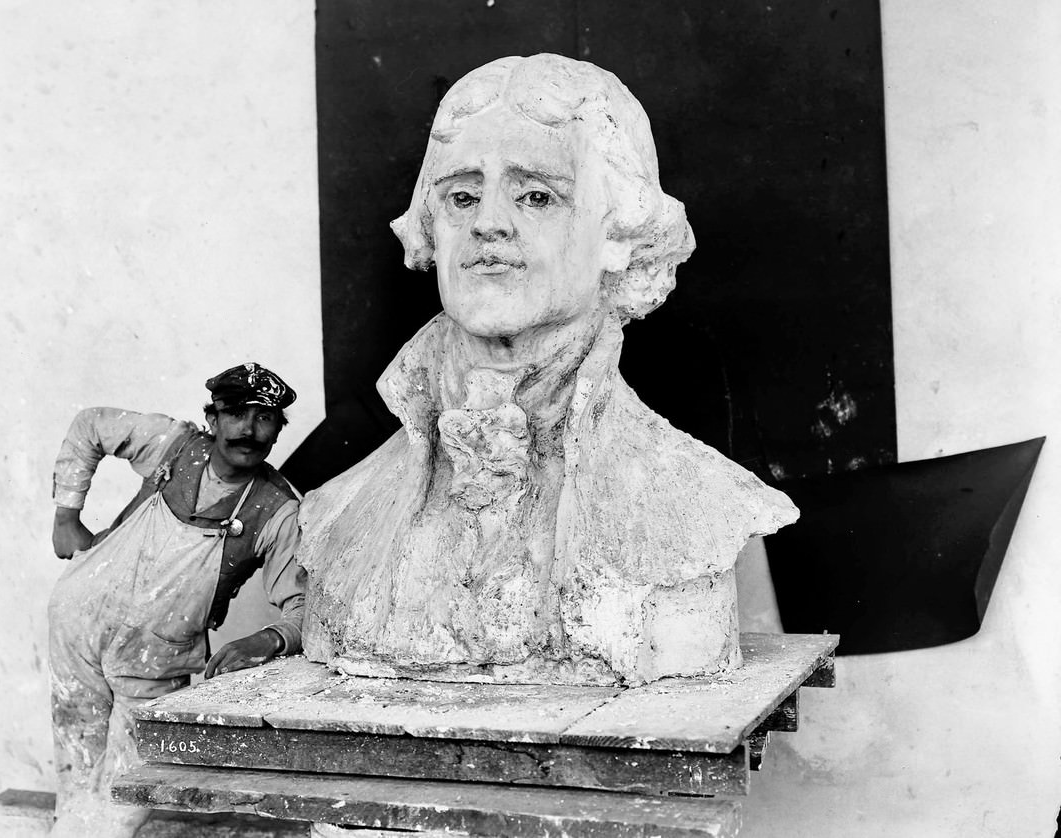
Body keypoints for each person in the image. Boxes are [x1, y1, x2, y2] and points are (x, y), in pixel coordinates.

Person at [298, 54, 797, 687]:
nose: (488, 224)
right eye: (461, 197)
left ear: (619, 231)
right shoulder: (334, 515)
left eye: (536, 196)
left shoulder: (704, 504)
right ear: (431, 228)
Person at [47, 362, 304, 837]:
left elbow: (307, 608)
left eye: (264, 418)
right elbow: (91, 424)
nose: (248, 429)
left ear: (276, 432)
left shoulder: (277, 508)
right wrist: (67, 512)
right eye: (235, 414)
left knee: (123, 793)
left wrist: (269, 639)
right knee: (75, 771)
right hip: (77, 627)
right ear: (213, 419)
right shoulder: (175, 445)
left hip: (152, 661)